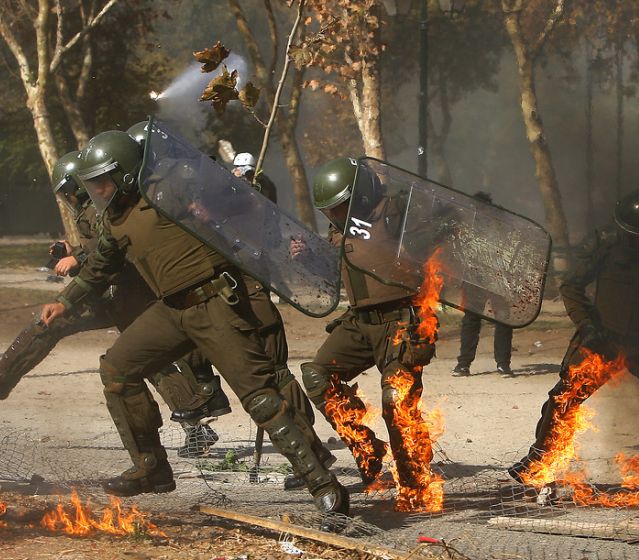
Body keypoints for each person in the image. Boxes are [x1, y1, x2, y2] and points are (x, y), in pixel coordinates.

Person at [38, 130, 348, 519]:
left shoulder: (170, 188)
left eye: (103, 180)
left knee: (259, 395)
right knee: (117, 368)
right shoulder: (115, 220)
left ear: (127, 173)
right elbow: (98, 268)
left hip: (214, 301)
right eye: (92, 183)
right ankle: (151, 467)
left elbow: (234, 203)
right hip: (170, 310)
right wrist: (64, 301)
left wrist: (222, 193)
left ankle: (322, 483)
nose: (98, 190)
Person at [0, 150, 229, 458]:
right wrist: (74, 250)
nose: (69, 198)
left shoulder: (100, 209)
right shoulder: (96, 208)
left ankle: (3, 377)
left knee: (49, 327)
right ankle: (195, 420)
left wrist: (77, 258)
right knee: (145, 359)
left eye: (69, 192)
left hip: (120, 295)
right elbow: (100, 245)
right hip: (121, 295)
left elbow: (113, 253)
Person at [508, 188, 639, 483]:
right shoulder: (604, 243)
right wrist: (588, 326)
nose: (637, 241)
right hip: (604, 338)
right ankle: (538, 461)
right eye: (632, 234)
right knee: (563, 398)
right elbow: (571, 287)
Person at [295, 157, 439, 508]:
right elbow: (337, 268)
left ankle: (416, 484)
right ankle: (369, 451)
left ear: (359, 196)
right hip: (360, 322)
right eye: (331, 211)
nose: (336, 216)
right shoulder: (340, 229)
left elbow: (442, 232)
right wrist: (305, 258)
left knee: (397, 401)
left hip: (401, 322)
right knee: (317, 376)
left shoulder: (396, 215)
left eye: (341, 207)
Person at [452, 191, 514, 378]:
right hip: (475, 278)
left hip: (497, 277)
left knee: (502, 319)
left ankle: (503, 364)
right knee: (471, 319)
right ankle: (464, 364)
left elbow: (509, 247)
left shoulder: (500, 223)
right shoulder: (468, 224)